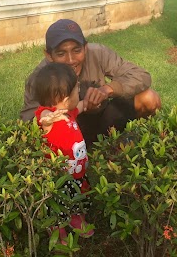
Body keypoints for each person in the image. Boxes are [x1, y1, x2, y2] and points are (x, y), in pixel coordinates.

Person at [21, 18, 161, 146]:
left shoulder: (98, 53)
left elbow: (141, 75)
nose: (71, 60)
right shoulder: (39, 77)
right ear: (49, 55)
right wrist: (53, 117)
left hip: (105, 118)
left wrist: (107, 89)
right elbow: (28, 120)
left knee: (149, 97)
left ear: (85, 47)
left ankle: (127, 144)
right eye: (61, 53)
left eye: (77, 50)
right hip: (68, 130)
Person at [33, 62, 94, 243]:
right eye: (77, 89)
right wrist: (47, 119)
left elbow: (81, 106)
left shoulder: (69, 112)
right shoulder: (49, 117)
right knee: (58, 204)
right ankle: (57, 230)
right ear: (66, 99)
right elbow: (42, 117)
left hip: (77, 173)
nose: (80, 91)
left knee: (77, 197)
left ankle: (77, 218)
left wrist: (91, 102)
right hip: (59, 179)